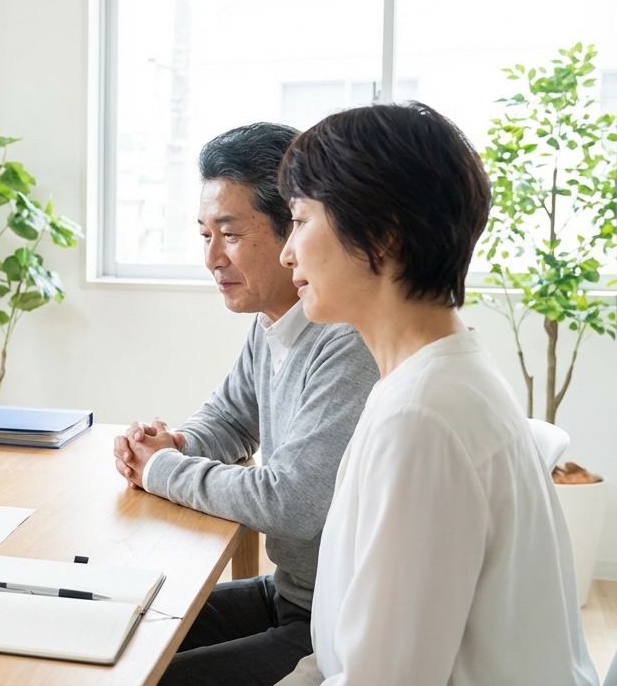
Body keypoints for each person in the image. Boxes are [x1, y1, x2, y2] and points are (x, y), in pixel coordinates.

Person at [274, 102, 597, 685]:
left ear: (382, 231)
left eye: (299, 219)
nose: (286, 252)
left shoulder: (422, 416)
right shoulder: (433, 377)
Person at [112, 123, 379, 685]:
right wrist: (174, 445)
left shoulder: (346, 338)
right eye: (204, 234)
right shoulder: (273, 320)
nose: (212, 258)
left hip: (327, 620)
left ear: (294, 230)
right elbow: (232, 417)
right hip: (290, 591)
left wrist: (160, 469)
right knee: (116, 621)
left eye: (229, 235)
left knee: (149, 674)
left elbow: (293, 502)